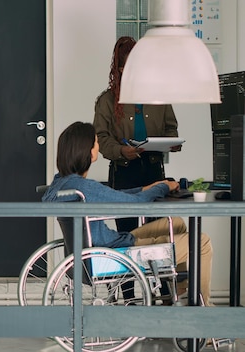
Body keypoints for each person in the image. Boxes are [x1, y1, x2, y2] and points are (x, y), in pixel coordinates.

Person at [42, 121, 213, 305]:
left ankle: (179, 292)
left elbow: (116, 197)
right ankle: (204, 313)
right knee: (201, 242)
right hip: (113, 254)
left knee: (176, 222)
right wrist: (163, 186)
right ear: (88, 150)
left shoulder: (61, 183)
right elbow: (134, 204)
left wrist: (148, 187)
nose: (98, 147)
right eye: (96, 143)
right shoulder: (84, 187)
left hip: (93, 250)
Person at [93, 36, 182, 233]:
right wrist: (121, 150)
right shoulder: (107, 100)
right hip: (124, 173)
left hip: (154, 171)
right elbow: (101, 137)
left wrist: (171, 143)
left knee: (157, 233)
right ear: (121, 69)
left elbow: (171, 128)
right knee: (129, 233)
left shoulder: (159, 96)